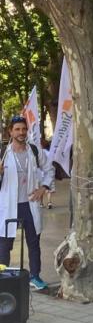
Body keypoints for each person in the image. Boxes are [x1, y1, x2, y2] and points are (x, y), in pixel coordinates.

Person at [0, 116, 55, 290]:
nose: (21, 132)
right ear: (10, 132)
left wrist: (43, 188)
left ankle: (35, 276)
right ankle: (3, 278)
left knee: (33, 242)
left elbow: (49, 169)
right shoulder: (3, 153)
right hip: (8, 206)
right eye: (17, 129)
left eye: (23, 129)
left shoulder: (34, 151)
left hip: (29, 204)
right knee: (4, 244)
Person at [40, 138, 55, 209]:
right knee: (48, 189)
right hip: (48, 173)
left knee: (40, 188)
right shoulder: (49, 153)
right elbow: (52, 162)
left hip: (40, 174)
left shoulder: (39, 153)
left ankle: (41, 203)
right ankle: (49, 202)